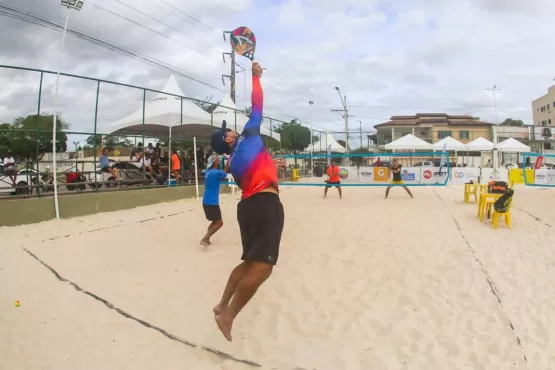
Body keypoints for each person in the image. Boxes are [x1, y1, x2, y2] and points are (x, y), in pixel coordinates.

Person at [209, 61, 284, 342]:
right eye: (228, 131)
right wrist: (255, 77)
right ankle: (227, 316)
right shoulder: (249, 136)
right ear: (228, 139)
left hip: (247, 207)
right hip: (265, 204)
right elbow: (257, 105)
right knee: (263, 268)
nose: (232, 131)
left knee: (250, 261)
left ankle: (222, 303)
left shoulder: (233, 162)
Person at [200, 155, 229, 247]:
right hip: (212, 201)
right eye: (218, 159)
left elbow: (221, 173)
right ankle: (205, 238)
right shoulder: (216, 173)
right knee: (219, 223)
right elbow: (225, 174)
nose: (219, 160)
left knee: (215, 221)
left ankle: (207, 238)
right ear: (215, 162)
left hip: (206, 200)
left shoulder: (208, 172)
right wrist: (228, 163)